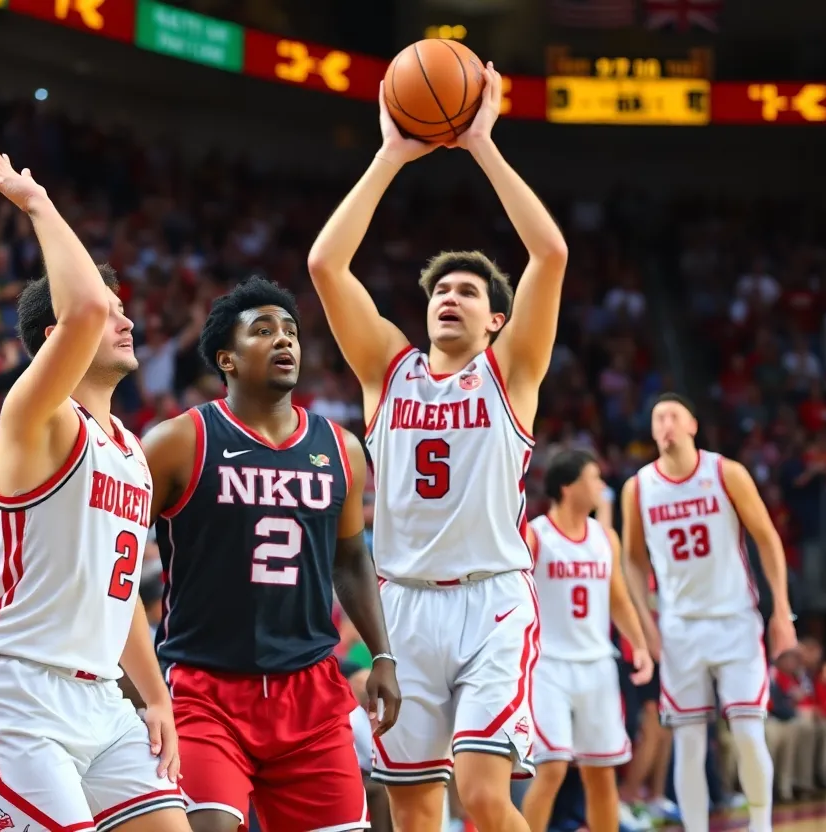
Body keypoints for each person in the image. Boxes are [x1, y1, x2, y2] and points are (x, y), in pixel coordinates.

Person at [306, 66, 568, 832]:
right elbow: (326, 266)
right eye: (439, 291)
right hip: (404, 606)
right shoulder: (387, 370)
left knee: (484, 798)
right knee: (415, 812)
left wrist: (481, 142)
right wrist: (389, 155)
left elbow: (548, 255)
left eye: (468, 293)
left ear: (496, 320)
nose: (449, 298)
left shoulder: (510, 372)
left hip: (492, 601)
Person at [0, 140, 187, 832]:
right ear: (59, 337)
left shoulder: (132, 450)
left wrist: (156, 696)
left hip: (101, 700)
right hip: (15, 690)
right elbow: (80, 311)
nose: (128, 320)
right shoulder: (38, 420)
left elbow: (120, 593)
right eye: (114, 311)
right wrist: (38, 203)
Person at [143, 277, 401, 832]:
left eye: (290, 331)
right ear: (227, 360)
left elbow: (352, 559)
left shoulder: (341, 448)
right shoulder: (179, 441)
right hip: (206, 689)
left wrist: (382, 655)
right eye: (263, 330)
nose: (284, 340)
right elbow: (109, 545)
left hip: (310, 689)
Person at [621, 392, 796, 832]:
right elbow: (632, 560)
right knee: (688, 741)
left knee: (747, 732)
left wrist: (781, 613)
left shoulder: (725, 472)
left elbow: (767, 538)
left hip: (735, 620)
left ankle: (762, 825)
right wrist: (647, 624)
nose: (665, 424)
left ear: (693, 425)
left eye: (674, 415)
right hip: (679, 627)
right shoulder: (639, 486)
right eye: (658, 417)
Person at [519, 450, 652, 832]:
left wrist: (639, 646)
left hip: (597, 665)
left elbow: (619, 600)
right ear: (567, 486)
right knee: (552, 769)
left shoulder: (605, 537)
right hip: (549, 667)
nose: (600, 487)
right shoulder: (535, 535)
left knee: (600, 773)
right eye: (594, 478)